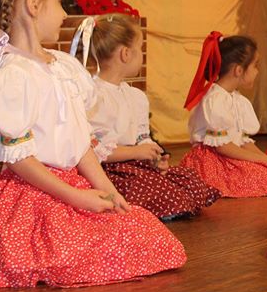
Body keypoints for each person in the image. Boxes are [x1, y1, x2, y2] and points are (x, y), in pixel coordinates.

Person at [0, 0, 185, 287]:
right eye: (59, 3)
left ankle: (21, 254)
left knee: (147, 236)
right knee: (90, 251)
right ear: (34, 5)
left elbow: (80, 144)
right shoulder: (12, 75)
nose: (64, 14)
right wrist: (76, 197)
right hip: (35, 192)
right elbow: (19, 159)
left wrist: (108, 190)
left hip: (72, 185)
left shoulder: (63, 67)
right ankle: (12, 254)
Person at [73, 15, 220, 219]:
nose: (141, 55)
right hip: (109, 170)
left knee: (189, 181)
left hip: (135, 163)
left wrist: (153, 155)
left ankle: (161, 202)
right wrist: (135, 152)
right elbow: (93, 150)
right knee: (154, 190)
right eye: (140, 49)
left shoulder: (135, 96)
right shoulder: (94, 95)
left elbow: (142, 136)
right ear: (125, 54)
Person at [180, 32, 267, 196]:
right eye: (255, 66)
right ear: (239, 70)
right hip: (213, 161)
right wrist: (262, 160)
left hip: (229, 154)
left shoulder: (235, 98)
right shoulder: (215, 99)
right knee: (259, 174)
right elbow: (223, 147)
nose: (257, 71)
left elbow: (241, 140)